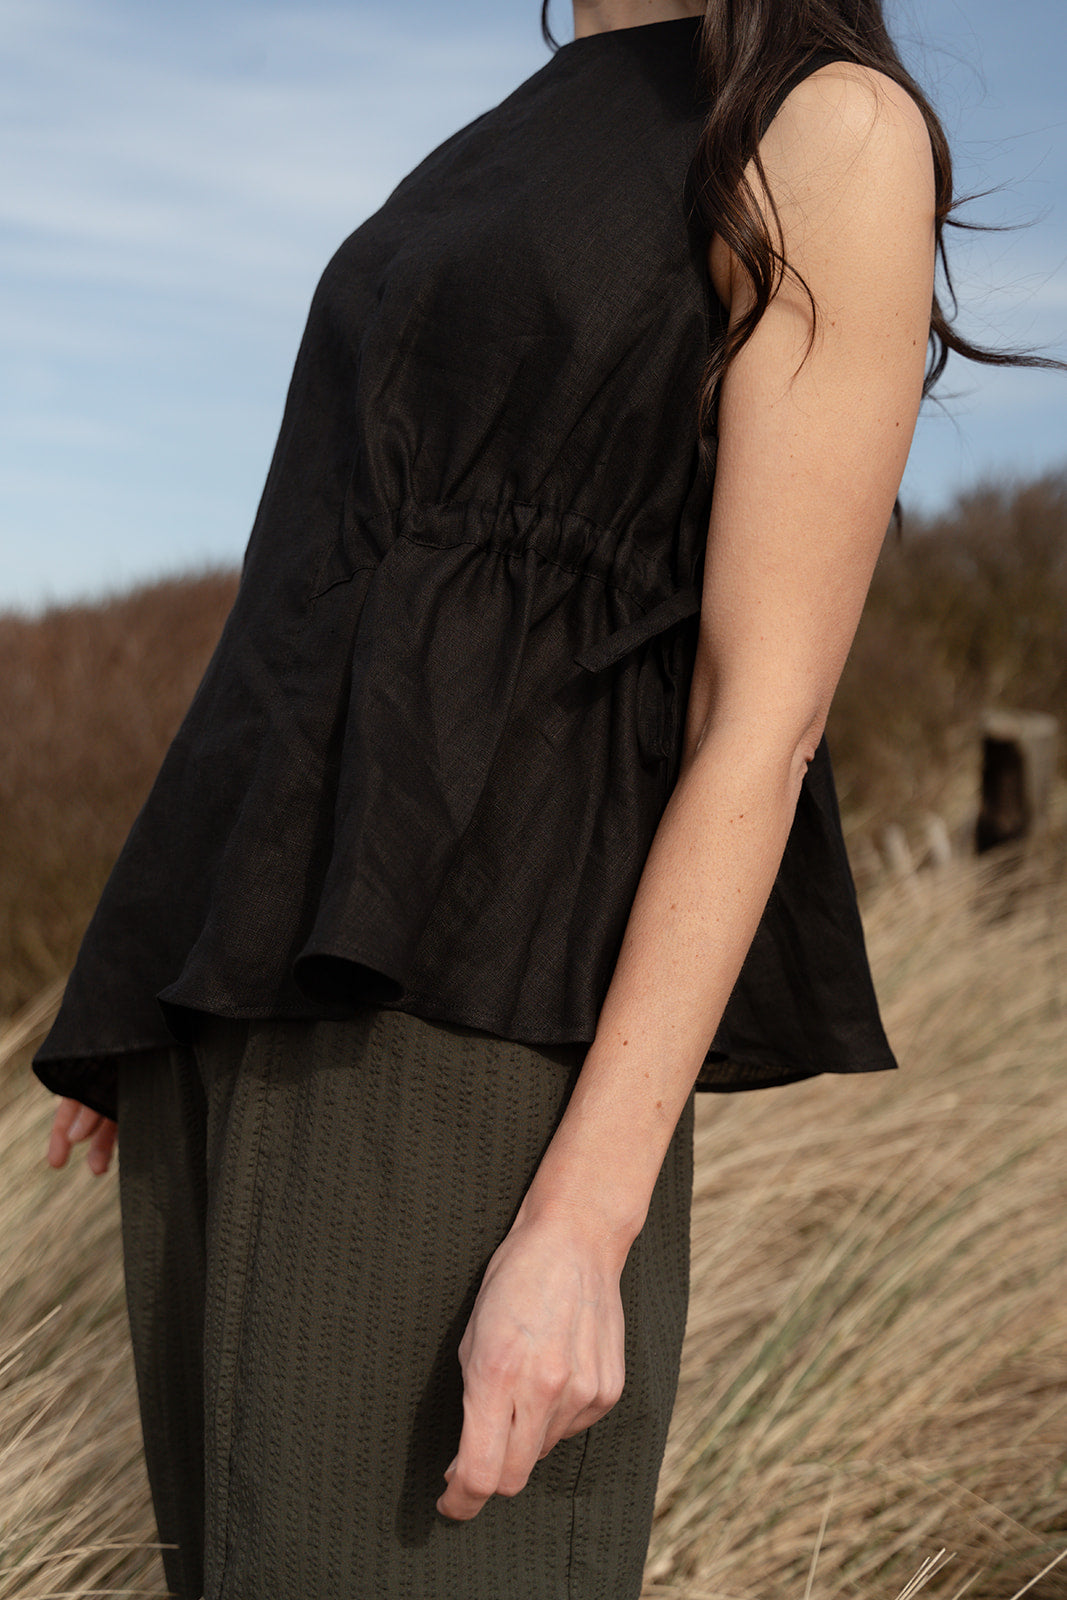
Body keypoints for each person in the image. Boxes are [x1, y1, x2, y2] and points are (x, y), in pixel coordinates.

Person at [35, 1, 1052, 1595]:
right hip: (241, 1018)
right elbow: (310, 598)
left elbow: (759, 720)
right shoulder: (533, 121)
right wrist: (161, 966)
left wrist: (582, 1226)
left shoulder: (824, 125)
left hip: (470, 1040)